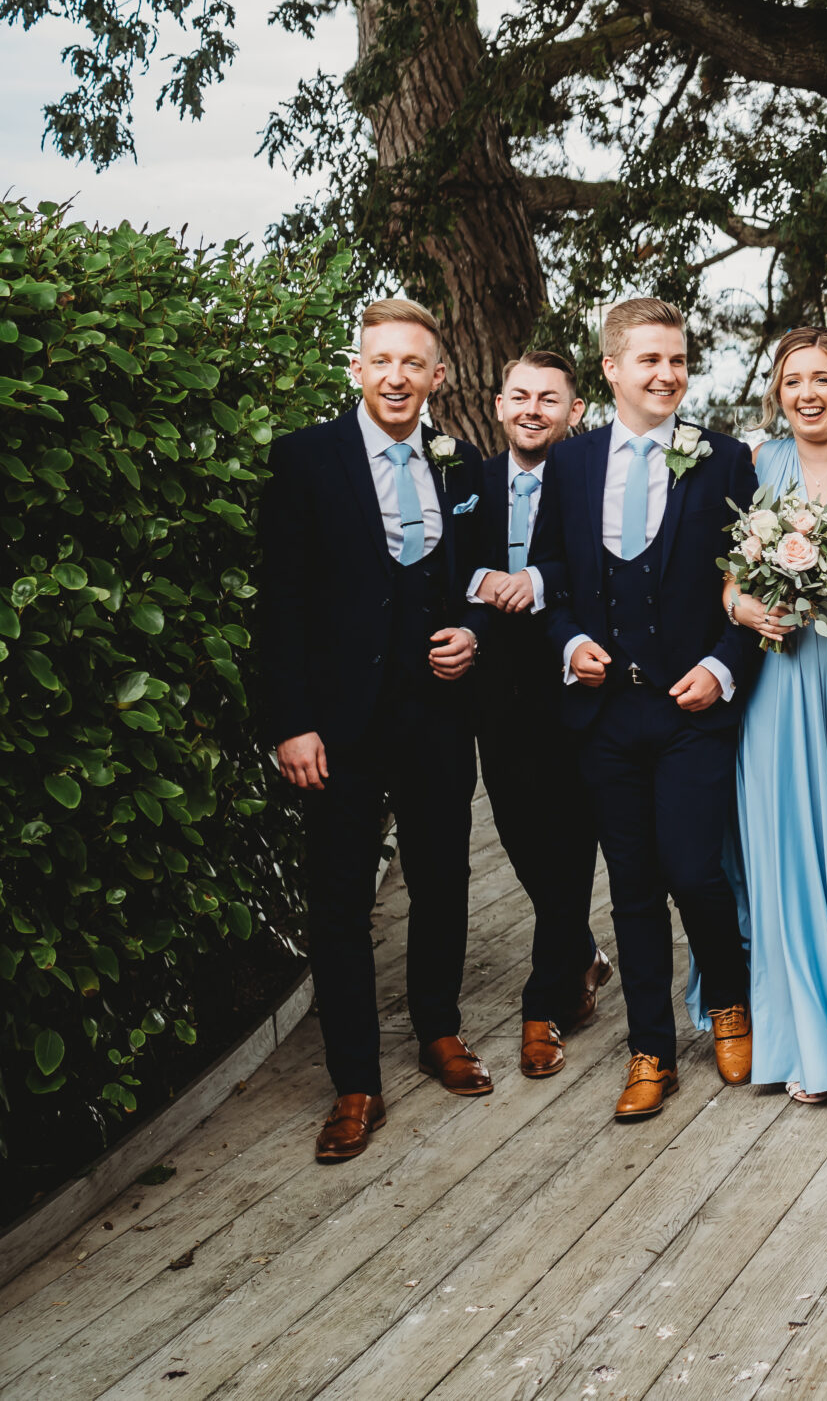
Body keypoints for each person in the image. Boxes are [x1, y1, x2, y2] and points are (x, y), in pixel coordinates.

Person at [258, 298, 490, 1163]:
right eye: (380, 360)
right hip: (339, 724)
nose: (396, 376)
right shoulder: (306, 458)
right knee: (340, 899)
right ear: (357, 368)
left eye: (413, 363)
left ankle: (439, 1029)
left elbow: (480, 581)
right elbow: (279, 604)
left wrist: (476, 634)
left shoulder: (461, 463)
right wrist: (291, 723)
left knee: (444, 878)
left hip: (436, 714)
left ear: (436, 376)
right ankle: (355, 1079)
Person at [525, 298, 762, 1121]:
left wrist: (723, 666)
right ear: (612, 370)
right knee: (630, 886)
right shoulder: (572, 462)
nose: (667, 374)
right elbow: (550, 570)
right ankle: (650, 1049)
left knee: (695, 869)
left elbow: (758, 586)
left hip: (693, 708)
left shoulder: (725, 459)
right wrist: (567, 643)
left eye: (678, 360)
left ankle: (729, 1001)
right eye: (650, 361)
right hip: (605, 715)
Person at [708, 328, 827, 1104]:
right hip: (779, 678)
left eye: (823, 378)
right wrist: (743, 603)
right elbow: (723, 579)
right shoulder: (756, 466)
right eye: (795, 381)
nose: (808, 393)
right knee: (784, 849)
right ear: (778, 392)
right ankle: (802, 1037)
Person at [466, 352, 613, 1082]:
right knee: (522, 838)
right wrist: (482, 579)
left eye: (548, 398)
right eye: (519, 396)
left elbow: (595, 566)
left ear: (573, 410)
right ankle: (584, 952)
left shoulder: (591, 483)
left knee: (569, 845)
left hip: (575, 685)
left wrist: (536, 579)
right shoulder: (470, 480)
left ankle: (540, 1007)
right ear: (499, 404)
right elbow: (447, 559)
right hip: (498, 694)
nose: (532, 408)